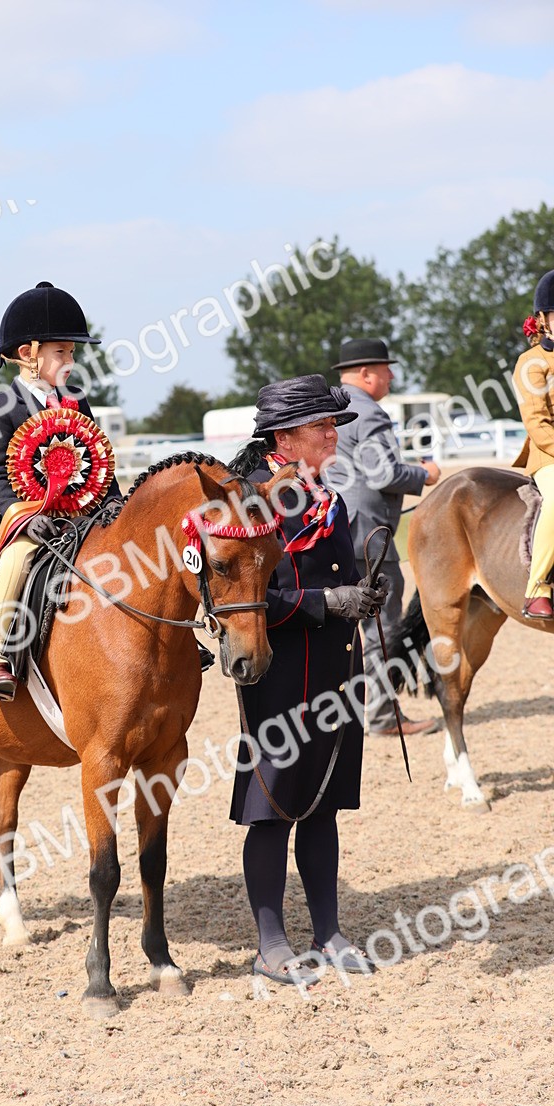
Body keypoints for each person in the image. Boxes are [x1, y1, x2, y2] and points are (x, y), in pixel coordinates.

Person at [228, 374, 387, 987]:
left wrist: (364, 596)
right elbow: (252, 598)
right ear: (286, 437)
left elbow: (338, 573)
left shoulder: (330, 497)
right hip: (279, 671)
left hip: (337, 667)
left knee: (323, 806)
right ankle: (269, 943)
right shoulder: (251, 502)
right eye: (322, 426)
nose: (332, 434)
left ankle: (329, 931)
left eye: (333, 425)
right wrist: (327, 601)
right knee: (271, 808)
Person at [0, 281, 122, 700]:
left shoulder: (76, 400)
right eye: (62, 353)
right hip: (32, 518)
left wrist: (116, 505)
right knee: (17, 561)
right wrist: (23, 517)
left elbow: (99, 461)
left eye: (72, 353)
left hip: (84, 514)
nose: (71, 362)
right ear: (28, 354)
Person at [325, 338, 440, 737]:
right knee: (383, 629)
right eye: (386, 369)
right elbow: (384, 474)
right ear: (366, 374)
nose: (391, 376)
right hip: (369, 536)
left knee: (348, 629)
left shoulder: (332, 409)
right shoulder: (368, 411)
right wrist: (425, 474)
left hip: (338, 530)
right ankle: (382, 716)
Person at [513, 271, 554, 620]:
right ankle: (537, 588)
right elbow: (537, 422)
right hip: (548, 454)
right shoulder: (531, 364)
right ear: (542, 320)